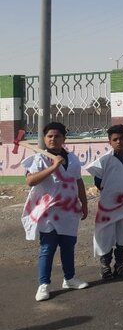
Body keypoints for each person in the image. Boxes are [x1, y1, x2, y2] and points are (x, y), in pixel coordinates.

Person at [21, 122, 89, 301]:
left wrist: (84, 203)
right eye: (49, 136)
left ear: (64, 139)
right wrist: (54, 166)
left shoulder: (73, 159)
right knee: (47, 248)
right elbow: (30, 181)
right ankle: (43, 285)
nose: (53, 139)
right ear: (44, 139)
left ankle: (70, 278)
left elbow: (78, 181)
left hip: (69, 211)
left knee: (68, 247)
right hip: (48, 213)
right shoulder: (40, 159)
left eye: (57, 136)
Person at [85, 124, 123, 280]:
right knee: (105, 234)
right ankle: (105, 266)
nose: (118, 142)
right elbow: (98, 181)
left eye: (121, 138)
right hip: (108, 205)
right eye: (115, 139)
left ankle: (120, 265)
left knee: (122, 235)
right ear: (110, 142)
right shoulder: (104, 160)